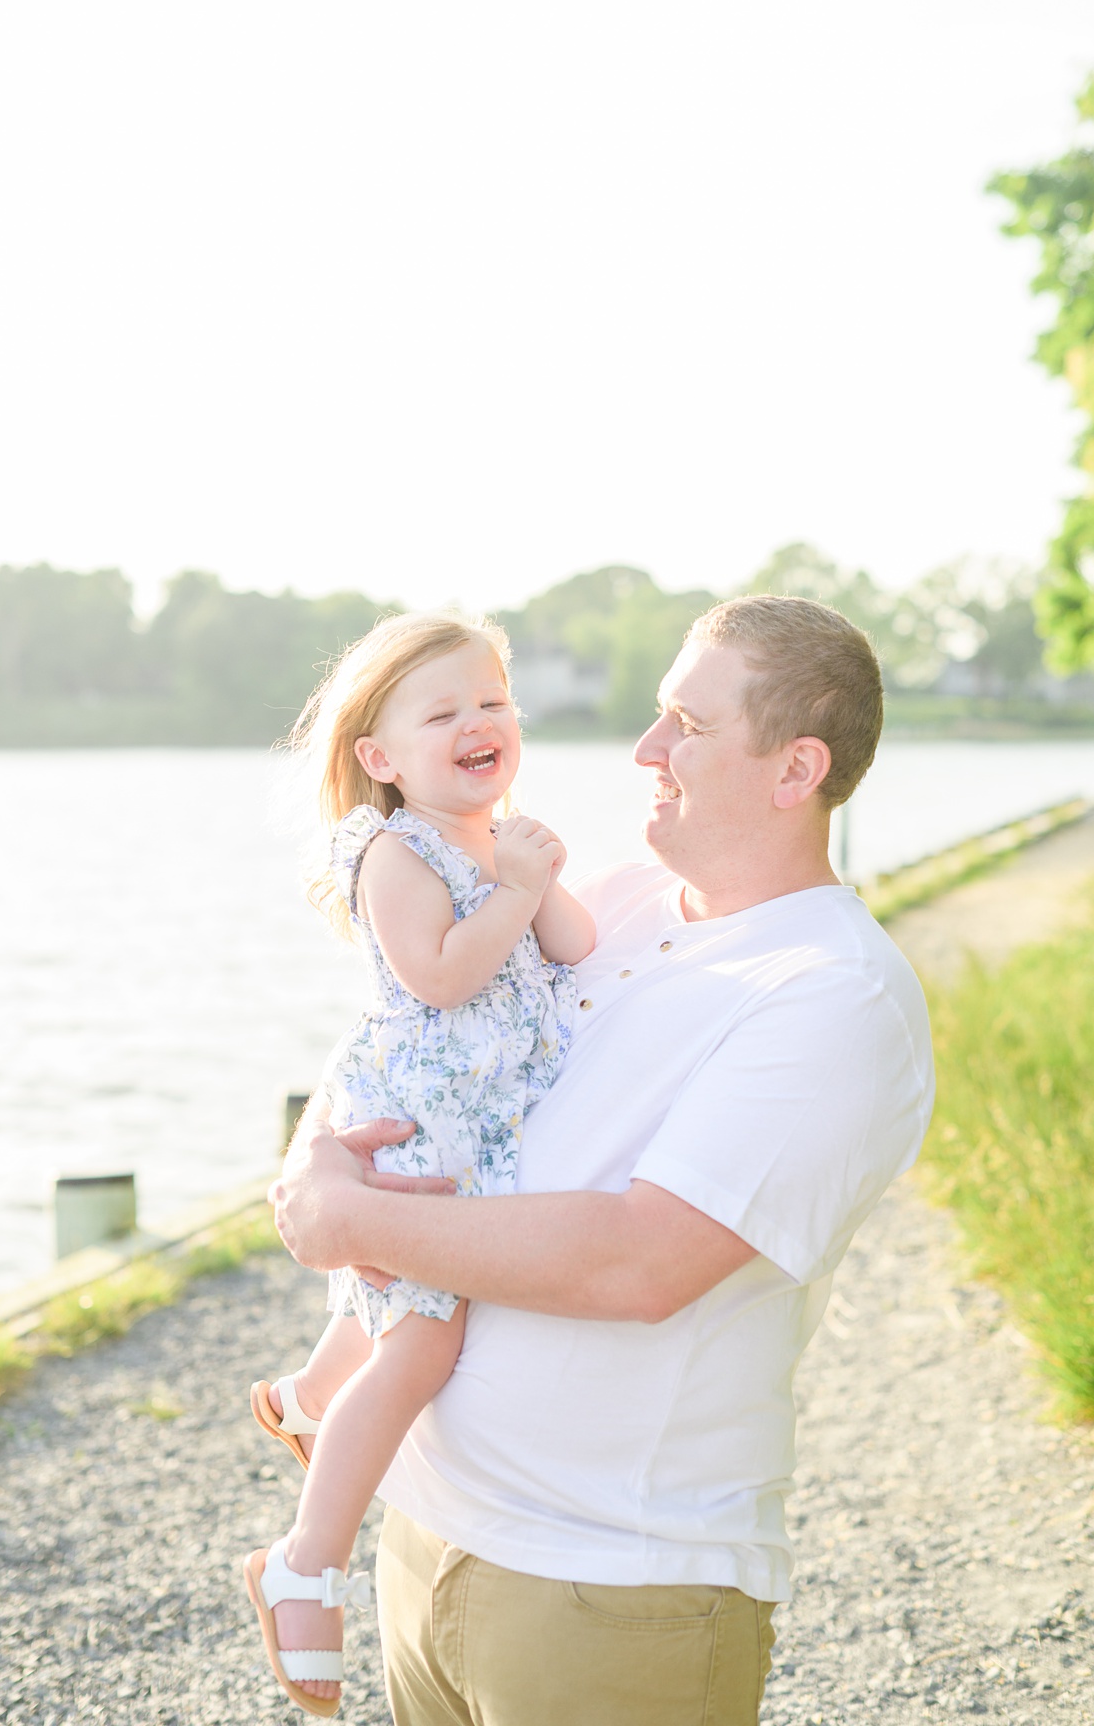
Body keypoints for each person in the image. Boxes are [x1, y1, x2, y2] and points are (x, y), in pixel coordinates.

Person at [266, 594, 932, 1726]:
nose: (645, 749)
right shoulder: (614, 901)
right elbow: (406, 1040)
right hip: (425, 1543)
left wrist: (351, 1221)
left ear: (794, 768)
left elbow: (642, 1261)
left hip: (612, 1590)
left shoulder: (832, 992)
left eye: (688, 723)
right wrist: (315, 1160)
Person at [241, 613, 592, 1715]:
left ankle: (305, 1399)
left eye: (494, 700)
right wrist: (517, 893)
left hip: (475, 1120)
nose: (480, 721)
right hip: (420, 1116)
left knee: (392, 1307)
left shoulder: (497, 838)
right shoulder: (394, 852)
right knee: (424, 1338)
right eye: (443, 712)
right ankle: (304, 1558)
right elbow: (440, 974)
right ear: (381, 758)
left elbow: (573, 950)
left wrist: (538, 873)